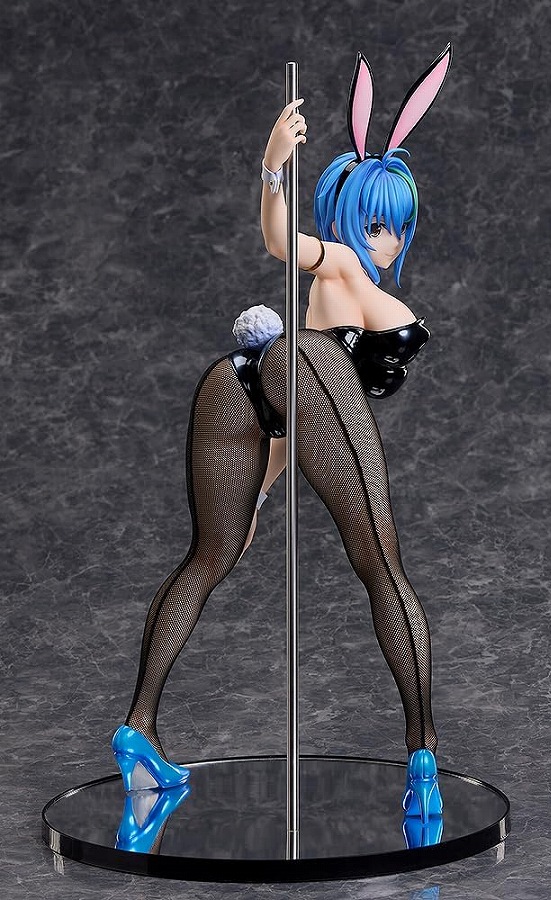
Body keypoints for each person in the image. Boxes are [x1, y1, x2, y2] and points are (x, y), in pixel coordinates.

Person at [111, 46, 452, 826]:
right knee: (381, 561)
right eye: (376, 222)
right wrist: (272, 169)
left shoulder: (355, 273)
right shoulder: (341, 262)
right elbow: (279, 245)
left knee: (212, 555)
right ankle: (423, 754)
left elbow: (298, 418)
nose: (387, 240)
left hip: (244, 385)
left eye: (398, 227)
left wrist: (261, 491)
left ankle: (138, 730)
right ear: (347, 218)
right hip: (299, 369)